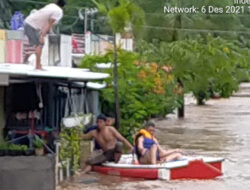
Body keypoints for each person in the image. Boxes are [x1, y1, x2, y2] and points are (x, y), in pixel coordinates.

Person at [24, 0, 65, 70]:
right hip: (32, 25)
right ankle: (38, 66)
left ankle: (38, 64)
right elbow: (49, 24)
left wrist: (44, 33)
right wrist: (42, 36)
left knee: (39, 44)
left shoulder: (51, 5)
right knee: (40, 44)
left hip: (28, 22)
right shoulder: (59, 12)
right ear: (63, 7)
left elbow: (45, 20)